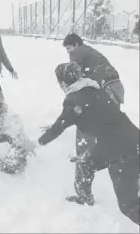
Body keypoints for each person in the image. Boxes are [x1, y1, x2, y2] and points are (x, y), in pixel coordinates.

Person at [37, 62, 139, 225]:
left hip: (122, 151)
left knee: (130, 206)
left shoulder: (73, 100)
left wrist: (38, 142)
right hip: (130, 139)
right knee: (86, 163)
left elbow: (60, 125)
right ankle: (84, 197)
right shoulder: (94, 90)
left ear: (63, 83)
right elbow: (75, 117)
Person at [62, 33, 125, 204]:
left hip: (101, 94)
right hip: (115, 91)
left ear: (74, 44)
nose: (68, 53)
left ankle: (84, 193)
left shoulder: (78, 52)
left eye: (69, 48)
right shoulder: (93, 53)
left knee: (84, 140)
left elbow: (73, 75)